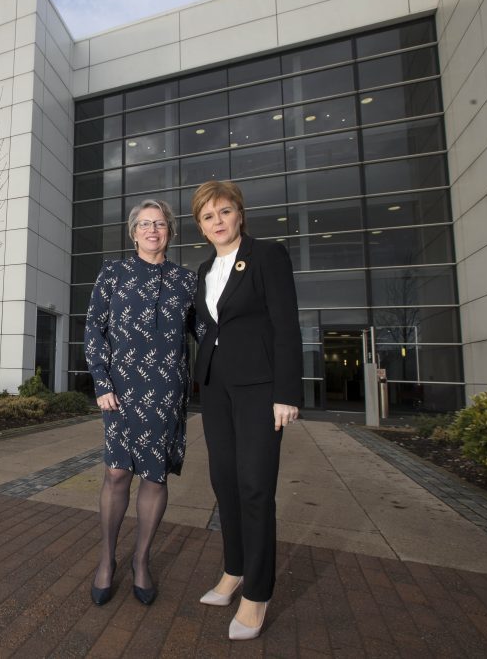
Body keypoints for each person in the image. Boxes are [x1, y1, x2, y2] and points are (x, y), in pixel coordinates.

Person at [191, 180, 302, 640]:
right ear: (201, 226)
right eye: (207, 216)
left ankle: (257, 593)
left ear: (239, 214)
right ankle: (233, 570)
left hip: (260, 390)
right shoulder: (202, 270)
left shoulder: (267, 255)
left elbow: (286, 325)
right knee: (226, 483)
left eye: (224, 212)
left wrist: (287, 392)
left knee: (256, 487)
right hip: (216, 390)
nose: (217, 222)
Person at [84, 199, 200, 607]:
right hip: (120, 391)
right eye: (145, 224)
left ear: (170, 231)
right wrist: (100, 380)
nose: (153, 230)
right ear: (133, 233)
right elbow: (93, 327)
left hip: (166, 392)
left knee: (155, 477)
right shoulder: (112, 273)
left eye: (160, 223)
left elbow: (205, 331)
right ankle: (106, 560)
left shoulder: (187, 281)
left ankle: (142, 560)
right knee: (117, 473)